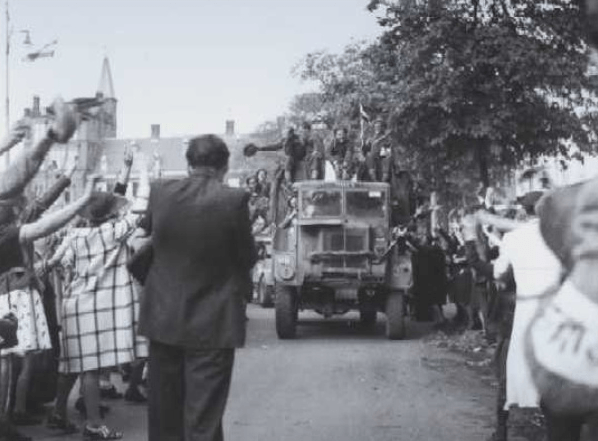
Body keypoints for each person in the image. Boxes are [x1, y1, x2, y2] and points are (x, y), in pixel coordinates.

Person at [139, 134, 257, 441]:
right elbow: (247, 257)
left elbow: (150, 237)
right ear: (224, 166)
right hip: (213, 322)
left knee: (164, 418)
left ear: (188, 163)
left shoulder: (160, 192)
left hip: (163, 318)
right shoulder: (234, 200)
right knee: (203, 417)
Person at [46, 154, 150, 440]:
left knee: (71, 364)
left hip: (72, 304)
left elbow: (54, 262)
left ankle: (58, 411)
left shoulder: (73, 236)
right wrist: (142, 172)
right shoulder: (114, 233)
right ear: (109, 215)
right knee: (90, 367)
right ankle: (92, 424)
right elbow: (140, 205)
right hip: (96, 306)